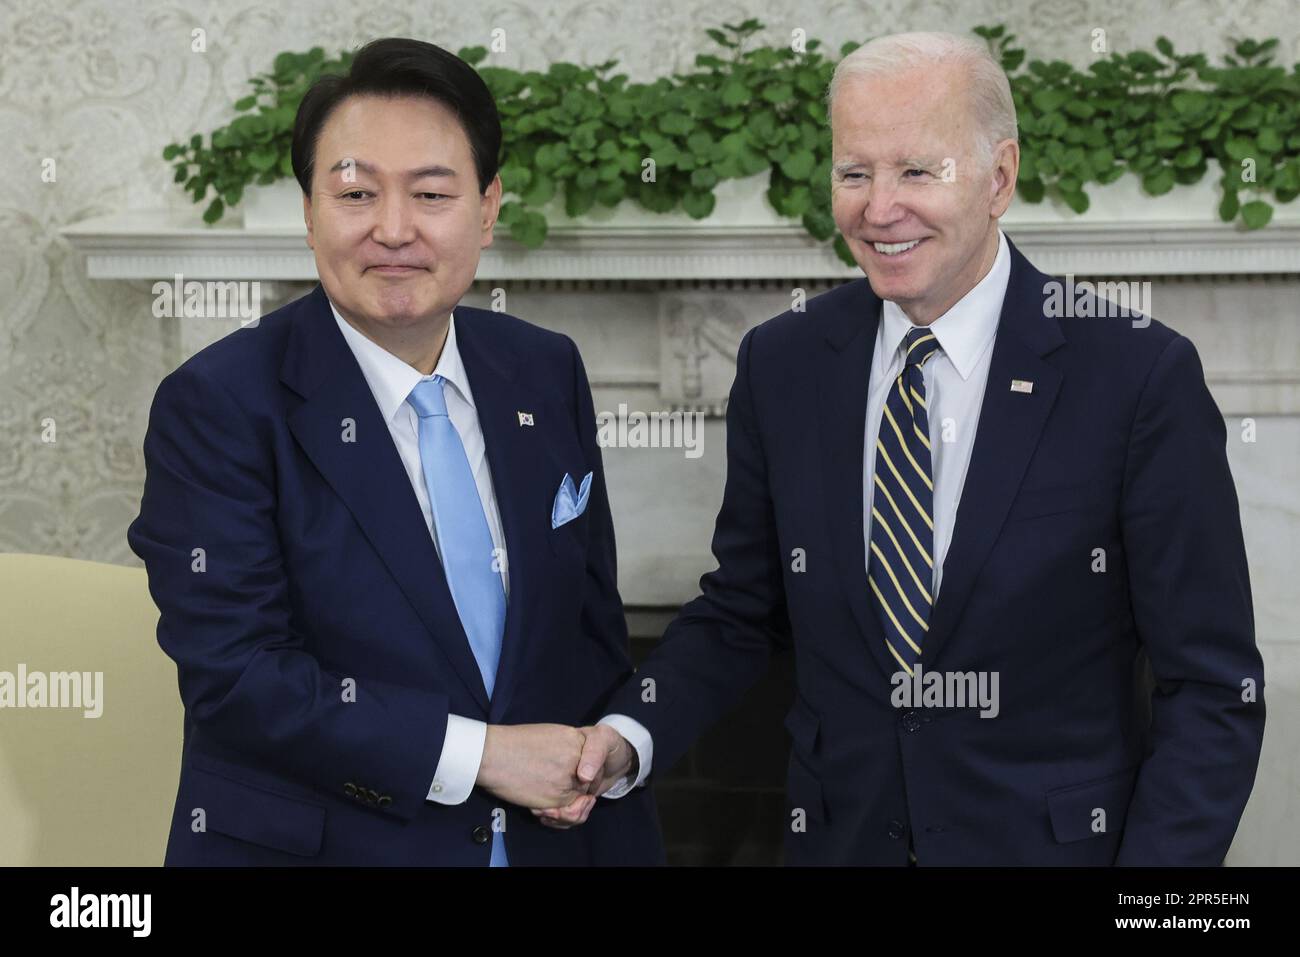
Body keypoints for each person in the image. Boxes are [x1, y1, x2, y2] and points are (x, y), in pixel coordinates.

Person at [561, 31, 1265, 865]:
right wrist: (625, 732)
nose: (877, 207)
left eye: (916, 171)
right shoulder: (781, 362)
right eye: (854, 172)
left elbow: (1212, 690)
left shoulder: (1139, 375)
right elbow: (745, 609)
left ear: (999, 177)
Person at [128, 37, 662, 866]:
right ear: (308, 211)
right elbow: (238, 675)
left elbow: (590, 630)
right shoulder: (220, 404)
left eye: (431, 193)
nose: (393, 228)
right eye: (355, 192)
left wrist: (605, 757)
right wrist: (485, 757)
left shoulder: (543, 367)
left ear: (487, 209)